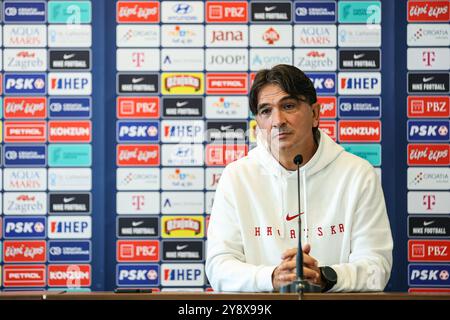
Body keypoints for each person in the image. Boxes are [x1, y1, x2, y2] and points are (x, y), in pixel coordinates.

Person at [205, 64, 393, 292]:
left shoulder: (358, 174)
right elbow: (219, 267)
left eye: (288, 106)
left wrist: (325, 277)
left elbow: (377, 267)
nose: (278, 120)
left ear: (315, 114)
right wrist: (272, 277)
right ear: (258, 124)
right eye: (266, 111)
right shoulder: (237, 177)